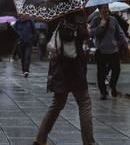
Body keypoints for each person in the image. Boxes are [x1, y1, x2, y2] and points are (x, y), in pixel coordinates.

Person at [33, 13, 95, 145]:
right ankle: (89, 142)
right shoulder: (80, 19)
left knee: (57, 105)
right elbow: (85, 38)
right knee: (84, 104)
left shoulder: (58, 20)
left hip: (61, 69)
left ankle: (40, 139)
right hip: (76, 70)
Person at [90, 4, 130, 100]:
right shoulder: (95, 20)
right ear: (99, 10)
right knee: (101, 73)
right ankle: (103, 92)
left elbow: (120, 32)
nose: (105, 10)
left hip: (113, 50)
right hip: (101, 50)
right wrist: (101, 25)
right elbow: (92, 33)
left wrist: (127, 44)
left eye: (106, 8)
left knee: (116, 70)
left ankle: (112, 85)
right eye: (103, 8)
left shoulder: (113, 20)